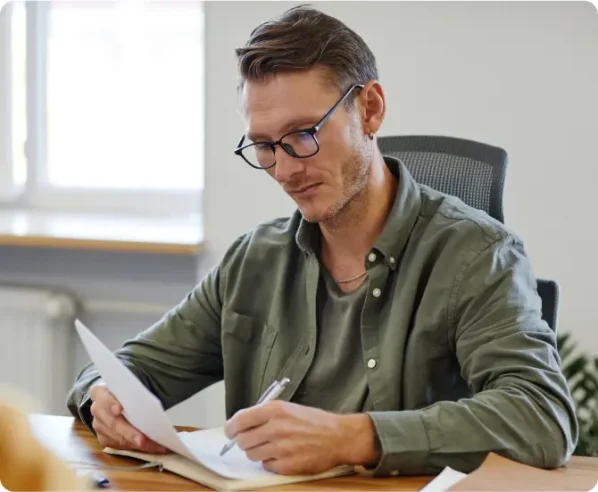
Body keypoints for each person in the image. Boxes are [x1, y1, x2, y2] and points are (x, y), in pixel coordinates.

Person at [66, 5, 578, 477]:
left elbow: (542, 416)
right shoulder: (254, 259)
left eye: (304, 134)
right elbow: (134, 367)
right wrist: (103, 396)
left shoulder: (476, 255)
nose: (285, 169)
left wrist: (358, 436)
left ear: (370, 109)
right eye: (265, 146)